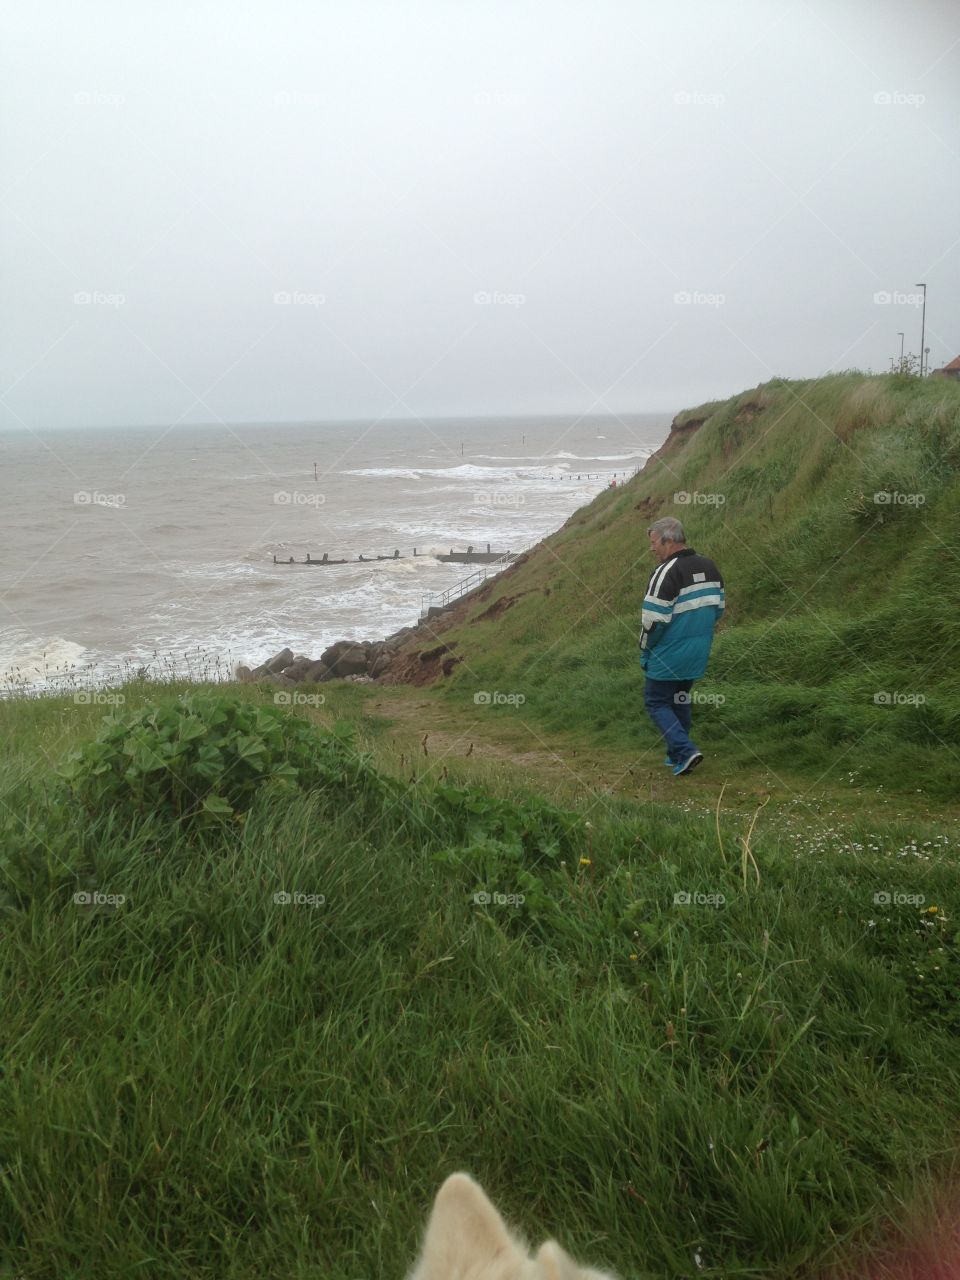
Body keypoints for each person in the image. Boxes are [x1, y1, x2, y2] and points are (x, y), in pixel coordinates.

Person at [639, 516, 725, 776]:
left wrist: (645, 649)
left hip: (669, 653)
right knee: (680, 698)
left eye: (654, 543)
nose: (652, 548)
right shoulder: (709, 566)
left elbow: (653, 621)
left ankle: (685, 750)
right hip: (698, 651)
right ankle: (677, 754)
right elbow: (718, 609)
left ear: (669, 541)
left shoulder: (666, 571)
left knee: (656, 701)